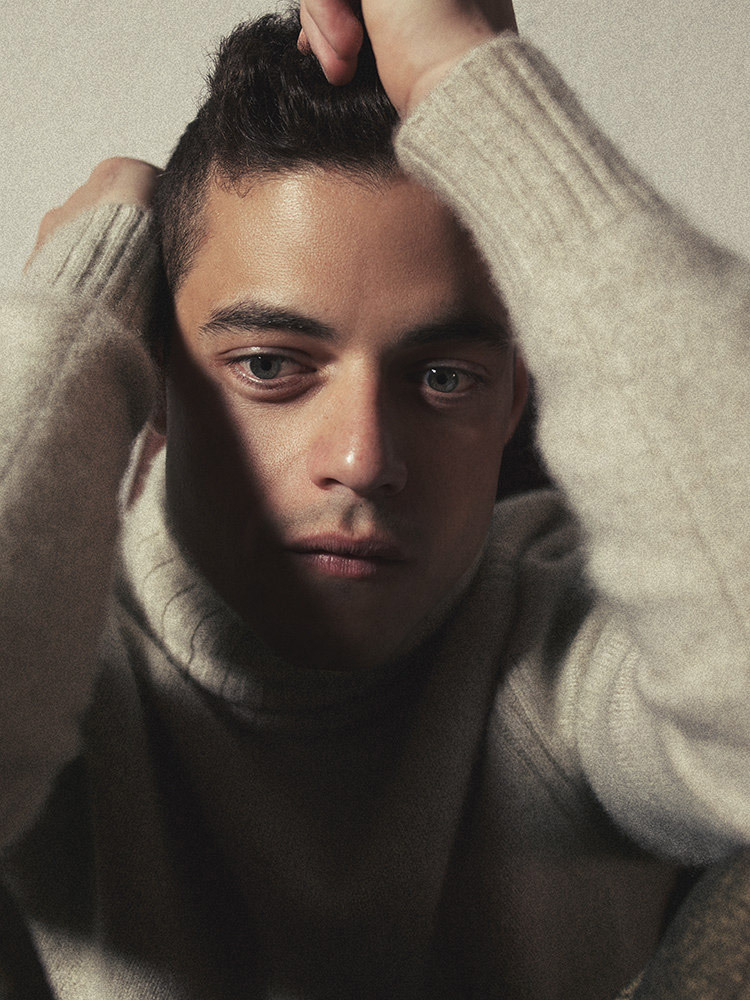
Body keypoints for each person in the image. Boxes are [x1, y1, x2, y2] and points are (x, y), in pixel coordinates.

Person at [1, 0, 748, 996]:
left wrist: (472, 92)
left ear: (513, 398)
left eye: (443, 377)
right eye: (271, 365)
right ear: (156, 375)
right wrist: (80, 309)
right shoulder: (60, 662)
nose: (362, 458)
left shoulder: (574, 654)